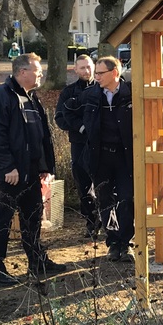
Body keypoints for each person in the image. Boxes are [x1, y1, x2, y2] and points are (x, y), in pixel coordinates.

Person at [0, 53, 66, 286]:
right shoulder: (0, 96)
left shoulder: (31, 97)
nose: (41, 74)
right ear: (22, 72)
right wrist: (8, 166)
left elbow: (40, 135)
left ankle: (37, 260)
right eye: (38, 70)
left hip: (30, 172)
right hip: (11, 174)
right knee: (2, 220)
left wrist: (44, 166)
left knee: (33, 217)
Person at [78, 56, 135, 262]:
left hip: (125, 157)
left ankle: (126, 242)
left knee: (127, 199)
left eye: (100, 73)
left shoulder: (131, 94)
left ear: (114, 73)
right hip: (100, 157)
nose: (96, 77)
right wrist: (82, 129)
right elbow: (67, 113)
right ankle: (112, 243)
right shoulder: (90, 95)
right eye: (96, 73)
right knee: (105, 202)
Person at [54, 54, 100, 238]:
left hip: (101, 144)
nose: (87, 71)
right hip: (79, 144)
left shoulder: (101, 88)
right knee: (83, 185)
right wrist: (80, 127)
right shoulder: (68, 92)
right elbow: (60, 118)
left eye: (89, 67)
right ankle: (90, 222)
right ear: (75, 70)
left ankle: (107, 219)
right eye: (82, 68)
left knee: (105, 183)